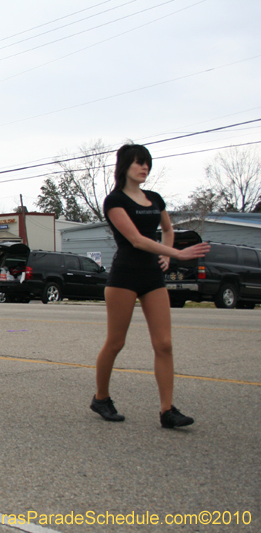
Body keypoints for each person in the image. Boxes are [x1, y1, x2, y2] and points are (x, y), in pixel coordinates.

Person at [91, 144, 210, 429]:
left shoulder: (155, 199)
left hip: (152, 278)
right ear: (124, 167)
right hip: (124, 277)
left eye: (147, 163)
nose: (144, 168)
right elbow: (136, 239)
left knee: (164, 344)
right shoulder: (115, 201)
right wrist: (177, 254)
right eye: (138, 163)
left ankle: (167, 410)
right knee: (116, 342)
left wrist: (165, 255)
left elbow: (168, 230)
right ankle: (101, 398)